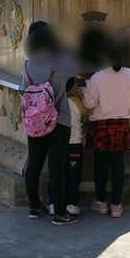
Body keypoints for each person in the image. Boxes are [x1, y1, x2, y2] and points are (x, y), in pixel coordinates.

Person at [22, 21, 78, 225]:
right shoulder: (60, 63)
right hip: (59, 120)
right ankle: (61, 213)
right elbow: (78, 70)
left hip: (34, 121)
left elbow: (23, 89)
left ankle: (34, 207)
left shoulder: (27, 65)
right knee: (56, 169)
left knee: (34, 165)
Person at [83, 51, 130, 218]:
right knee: (118, 167)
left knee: (100, 167)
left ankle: (101, 203)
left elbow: (89, 103)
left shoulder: (97, 77)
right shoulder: (129, 73)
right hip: (121, 125)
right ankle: (116, 205)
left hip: (101, 126)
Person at [50, 78, 85, 217]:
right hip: (75, 144)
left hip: (57, 143)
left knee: (56, 173)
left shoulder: (53, 102)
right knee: (73, 175)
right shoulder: (77, 103)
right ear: (71, 89)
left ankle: (53, 203)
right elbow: (86, 112)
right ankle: (71, 204)